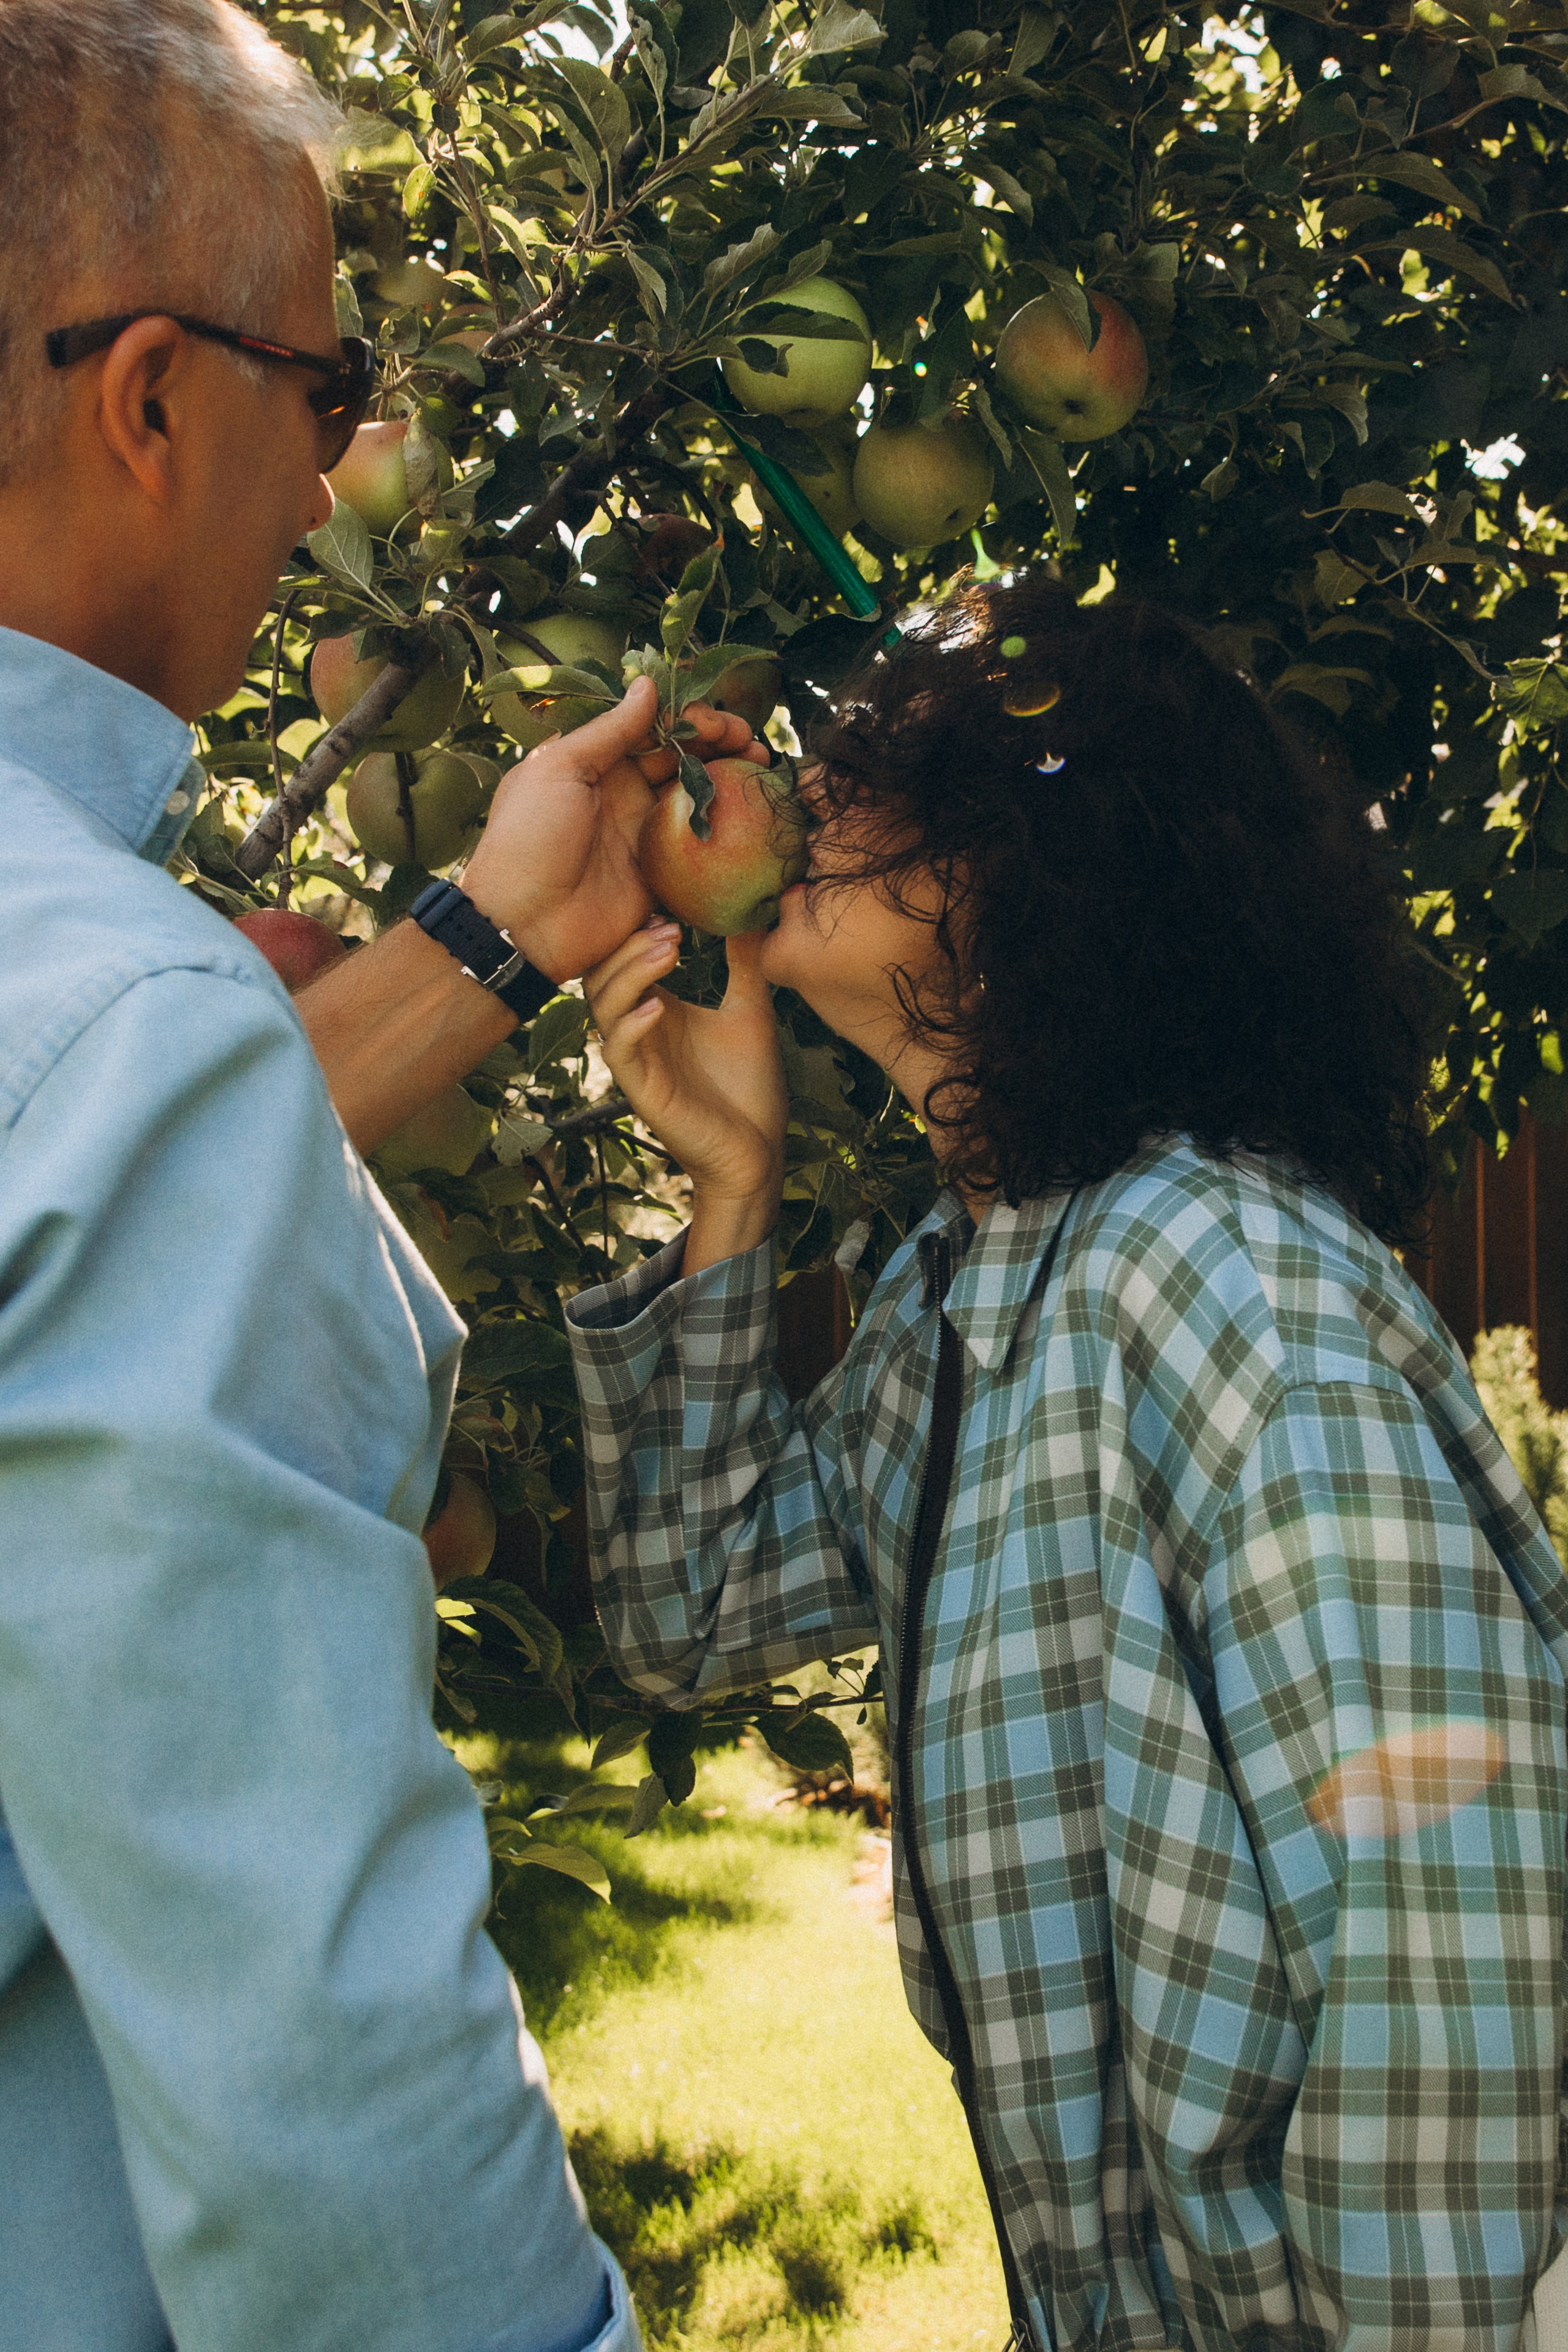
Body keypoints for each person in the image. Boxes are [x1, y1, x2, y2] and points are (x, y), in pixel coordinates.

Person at [0, 3, 764, 2347]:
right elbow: (315, 2075)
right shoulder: (123, 1026)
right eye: (320, 396)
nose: (333, 482)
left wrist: (506, 932)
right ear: (149, 402)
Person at [568, 576, 1568, 2352]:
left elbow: (1449, 1970)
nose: (816, 787)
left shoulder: (1217, 1290)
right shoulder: (975, 1291)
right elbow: (685, 1604)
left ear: (1049, 860)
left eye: (888, 764)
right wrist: (730, 1187)